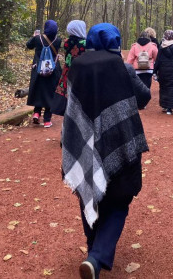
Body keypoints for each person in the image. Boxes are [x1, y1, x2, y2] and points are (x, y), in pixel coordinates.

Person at [61, 23, 150, 279]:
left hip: (83, 144)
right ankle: (97, 256)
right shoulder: (123, 68)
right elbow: (144, 98)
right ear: (115, 42)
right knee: (119, 201)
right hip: (121, 143)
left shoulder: (78, 67)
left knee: (88, 192)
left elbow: (72, 106)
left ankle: (92, 251)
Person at [26, 20, 62, 127]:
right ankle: (47, 120)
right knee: (50, 93)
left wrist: (34, 36)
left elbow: (29, 45)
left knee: (38, 90)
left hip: (38, 69)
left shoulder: (38, 39)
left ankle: (36, 113)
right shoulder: (58, 40)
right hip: (53, 70)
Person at [52, 20, 87, 116]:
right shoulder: (85, 43)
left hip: (67, 71)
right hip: (81, 72)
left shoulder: (67, 42)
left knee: (68, 94)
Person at [154, 29, 173, 115]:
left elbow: (158, 60)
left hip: (163, 70)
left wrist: (155, 71)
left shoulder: (161, 46)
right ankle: (170, 108)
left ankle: (164, 105)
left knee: (163, 88)